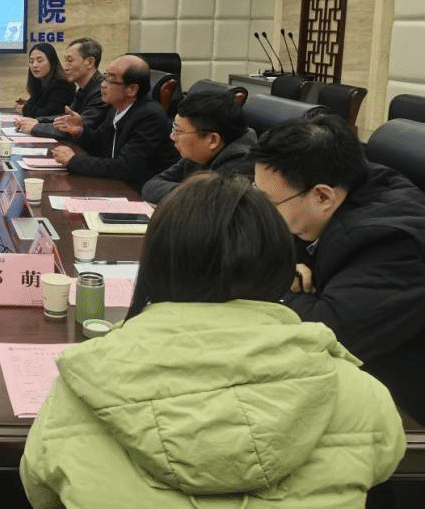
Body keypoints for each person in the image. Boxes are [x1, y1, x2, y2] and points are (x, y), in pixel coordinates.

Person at [20, 173, 405, 509]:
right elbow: (380, 468)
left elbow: (41, 493)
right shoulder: (363, 394)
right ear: (279, 264)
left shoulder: (80, 385)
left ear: (155, 263)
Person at [250, 114, 425, 424]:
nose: (261, 213)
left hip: (402, 412)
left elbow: (327, 333)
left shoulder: (392, 242)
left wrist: (277, 283)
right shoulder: (344, 186)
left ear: (322, 196)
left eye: (269, 203)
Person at [50, 54, 176, 191]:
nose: (103, 85)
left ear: (132, 89)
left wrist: (73, 160)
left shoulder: (150, 116)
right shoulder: (116, 108)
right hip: (116, 185)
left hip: (140, 193)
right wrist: (80, 132)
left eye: (111, 79)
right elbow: (100, 145)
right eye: (105, 77)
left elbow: (125, 168)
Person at [141, 90, 257, 203]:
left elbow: (210, 205)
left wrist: (189, 192)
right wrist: (194, 192)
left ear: (213, 140)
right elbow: (151, 186)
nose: (172, 136)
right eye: (173, 129)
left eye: (178, 131)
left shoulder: (241, 165)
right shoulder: (199, 153)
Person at [15, 37, 108, 140]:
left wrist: (35, 127)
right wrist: (38, 121)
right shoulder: (84, 89)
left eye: (70, 60)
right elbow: (66, 119)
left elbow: (76, 127)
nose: (65, 67)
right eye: (65, 60)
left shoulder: (102, 91)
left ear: (90, 62)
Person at [14, 42, 75, 118]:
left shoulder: (62, 85)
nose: (34, 65)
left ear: (51, 62)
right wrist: (26, 105)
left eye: (39, 61)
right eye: (31, 61)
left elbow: (51, 113)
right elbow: (36, 104)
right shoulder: (41, 83)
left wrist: (25, 109)